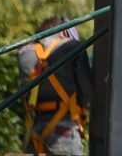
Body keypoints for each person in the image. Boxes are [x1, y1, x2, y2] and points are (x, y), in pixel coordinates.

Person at [17, 16, 94, 155]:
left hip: (34, 131)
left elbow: (25, 95)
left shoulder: (23, 53)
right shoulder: (72, 47)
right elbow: (87, 91)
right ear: (62, 32)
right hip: (64, 129)